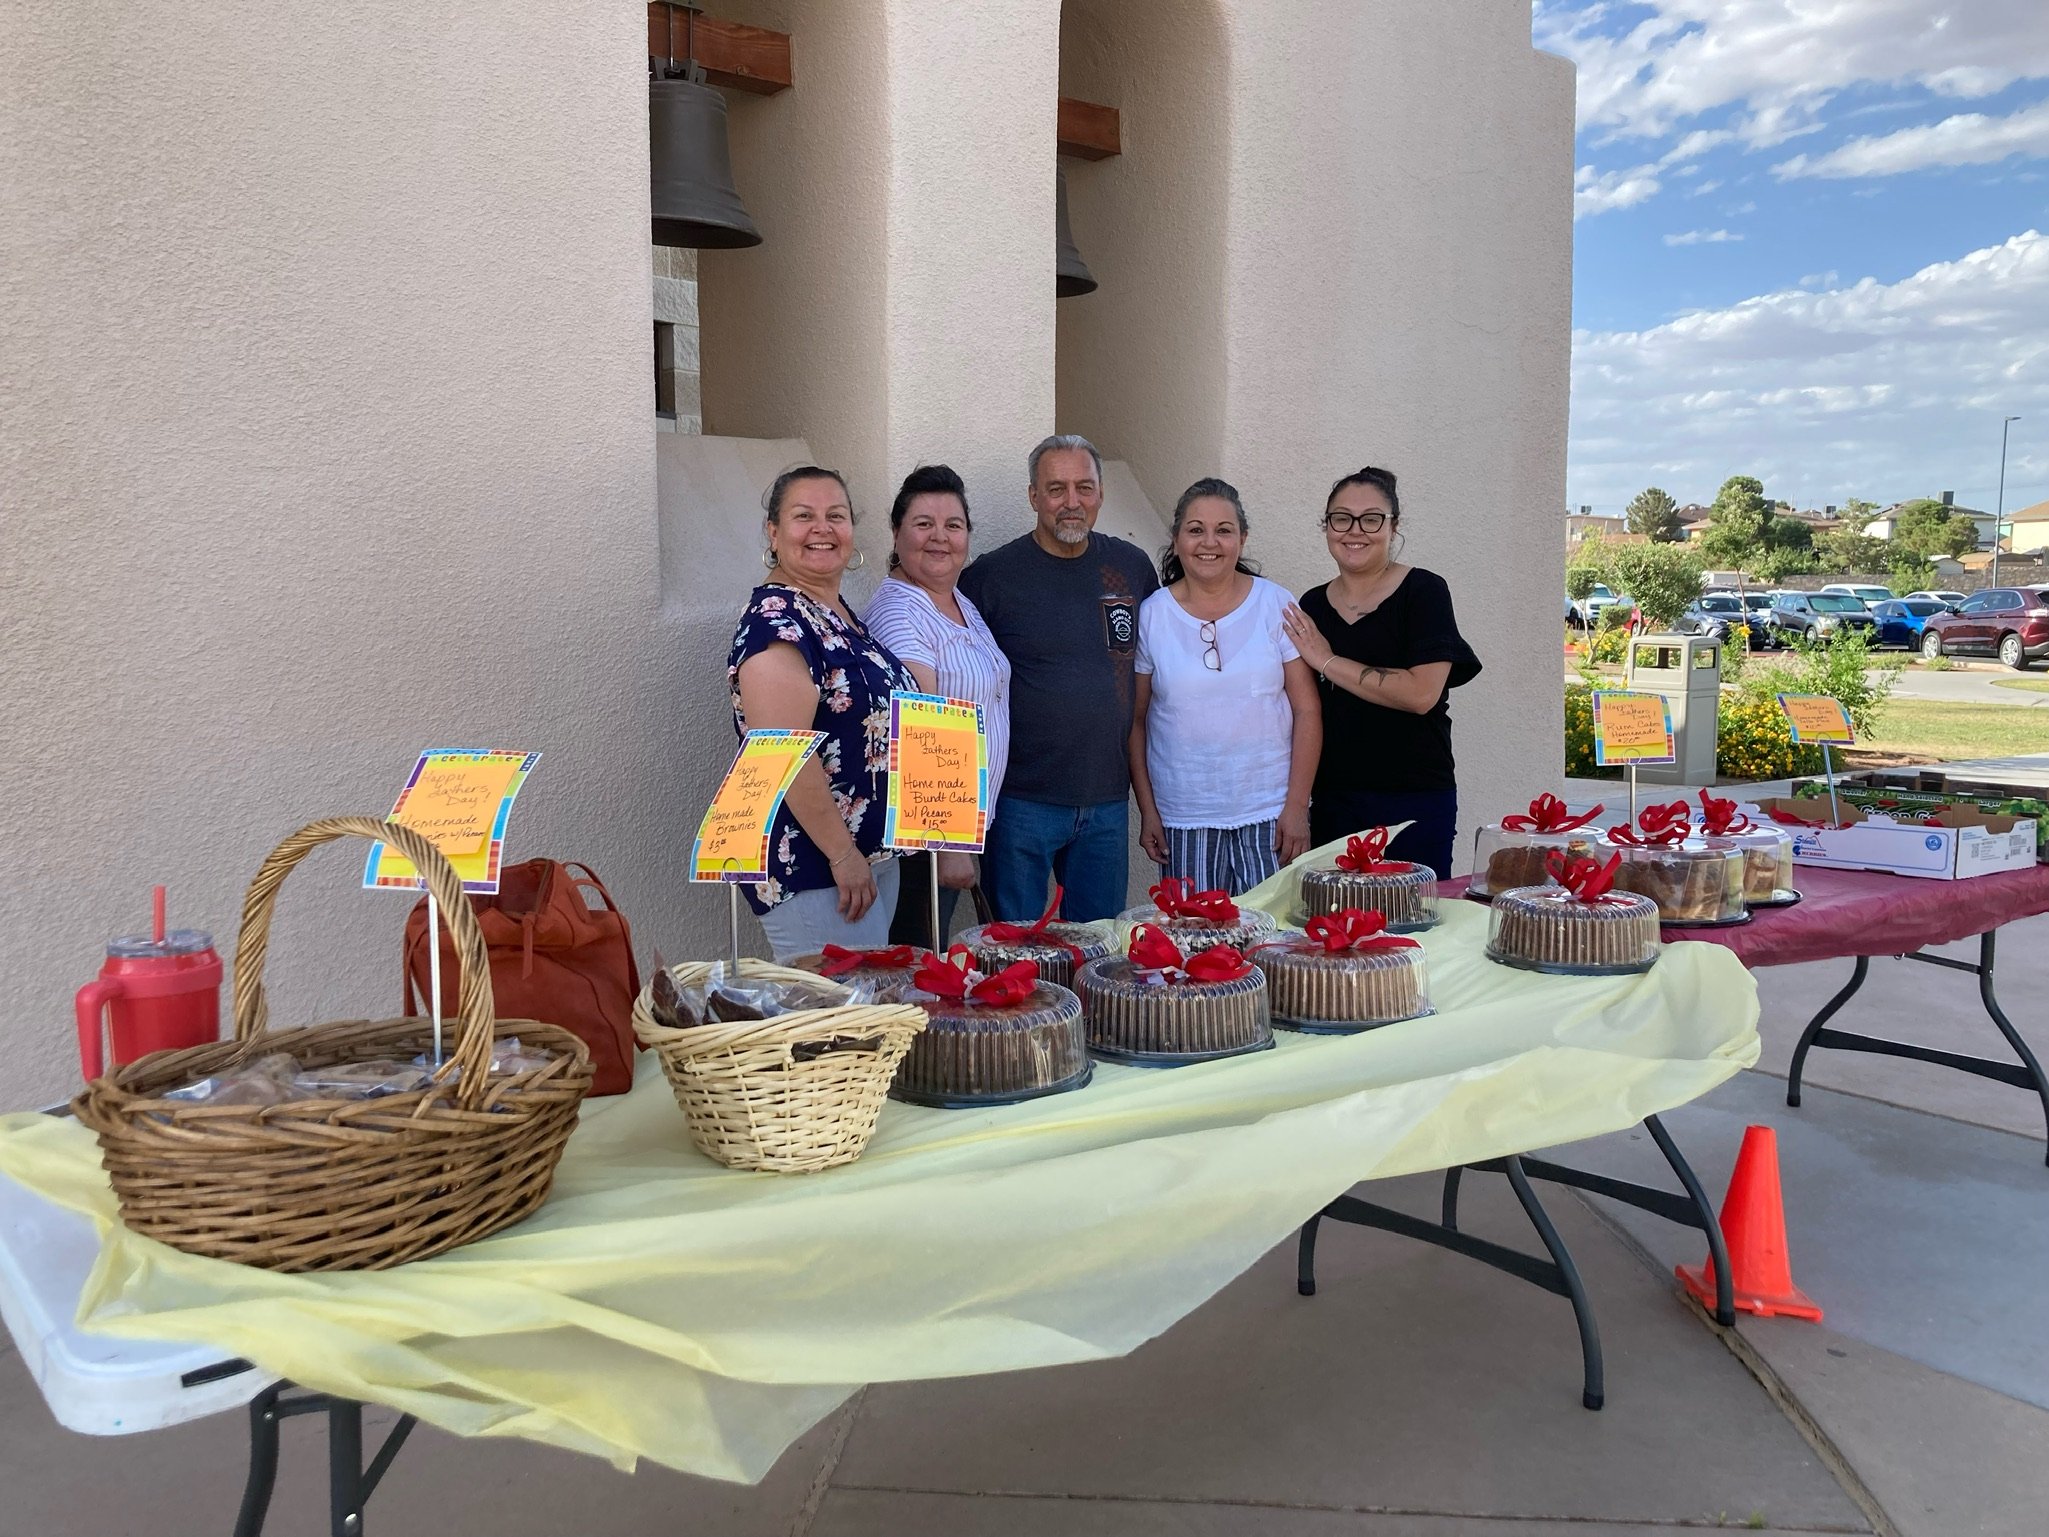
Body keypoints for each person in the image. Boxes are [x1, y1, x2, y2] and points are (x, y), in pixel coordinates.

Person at [958, 434, 1158, 922]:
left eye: (1084, 488)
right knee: (1015, 956)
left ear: (1101, 494)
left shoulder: (1130, 568)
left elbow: (1150, 677)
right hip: (1020, 803)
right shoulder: (991, 577)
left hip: (1107, 800)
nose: (1072, 502)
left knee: (1097, 952)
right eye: (1056, 489)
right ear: (1033, 496)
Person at [727, 466, 916, 961]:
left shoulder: (836, 612)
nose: (822, 529)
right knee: (835, 1030)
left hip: (864, 863)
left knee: (867, 1024)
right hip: (819, 866)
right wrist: (843, 854)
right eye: (803, 516)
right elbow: (785, 756)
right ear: (773, 532)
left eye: (836, 515)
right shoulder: (777, 624)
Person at [1280, 466, 1481, 878]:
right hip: (1334, 802)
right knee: (1335, 932)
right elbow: (1302, 711)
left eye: (1371, 518)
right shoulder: (1312, 606)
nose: (1355, 531)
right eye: (1341, 518)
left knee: (1413, 931)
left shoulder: (1424, 592)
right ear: (1327, 526)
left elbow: (1420, 694)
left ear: (1393, 526)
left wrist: (1328, 661)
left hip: (1414, 801)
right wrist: (1296, 805)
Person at [1129, 478, 1320, 892]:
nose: (1209, 542)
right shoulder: (1152, 615)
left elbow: (1307, 710)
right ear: (1177, 539)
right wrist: (1149, 811)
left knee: (1274, 947)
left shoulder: (1276, 605)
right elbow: (1138, 720)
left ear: (1242, 538)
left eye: (1224, 530)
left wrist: (1296, 807)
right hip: (1183, 818)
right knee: (1197, 946)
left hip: (1270, 815)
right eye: (1196, 530)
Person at [862, 464, 1012, 948]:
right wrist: (948, 846)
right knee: (922, 967)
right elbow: (923, 730)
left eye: (953, 525)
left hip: (967, 825)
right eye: (923, 524)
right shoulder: (900, 610)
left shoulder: (955, 601)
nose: (940, 538)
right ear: (896, 532)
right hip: (928, 838)